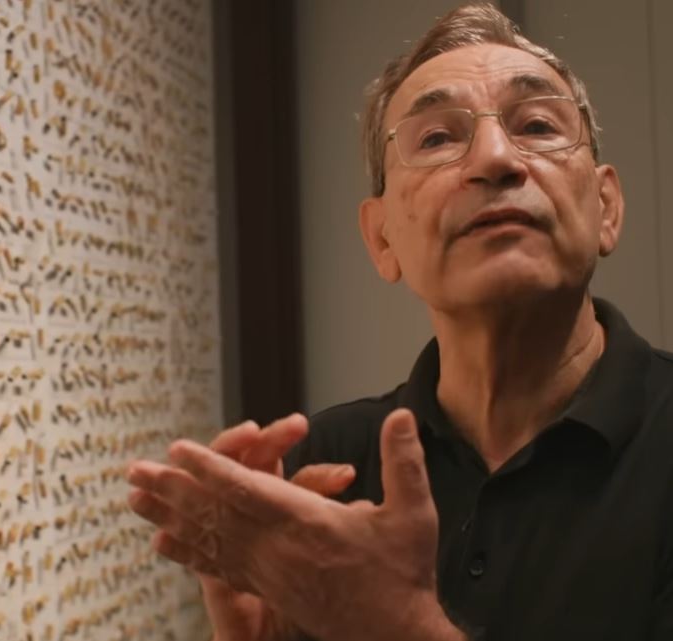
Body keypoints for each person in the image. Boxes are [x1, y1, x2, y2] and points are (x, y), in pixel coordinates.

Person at [125, 3, 673, 641]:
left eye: (537, 125)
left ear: (606, 207)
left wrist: (396, 624)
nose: (496, 158)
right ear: (382, 238)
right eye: (437, 139)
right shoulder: (325, 468)